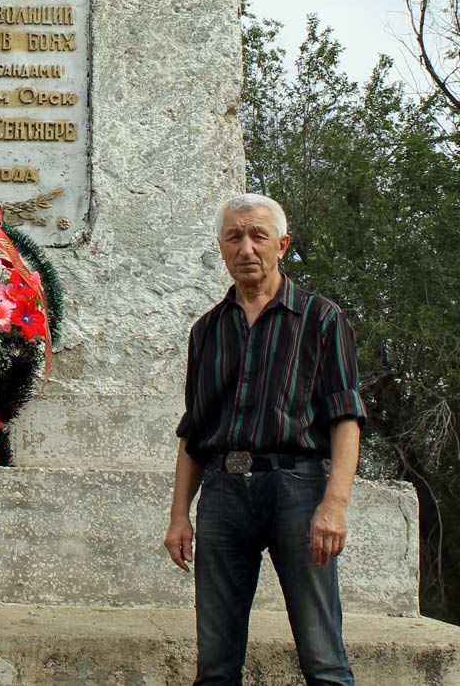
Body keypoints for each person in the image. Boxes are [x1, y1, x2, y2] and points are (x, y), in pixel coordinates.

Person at [165, 194, 365, 686]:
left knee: (323, 659)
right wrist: (178, 516)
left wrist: (334, 504)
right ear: (221, 247)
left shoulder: (321, 319)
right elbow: (194, 432)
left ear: (282, 244)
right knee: (215, 664)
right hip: (223, 495)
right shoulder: (206, 331)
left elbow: (346, 419)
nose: (246, 247)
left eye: (258, 235)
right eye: (234, 236)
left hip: (297, 490)